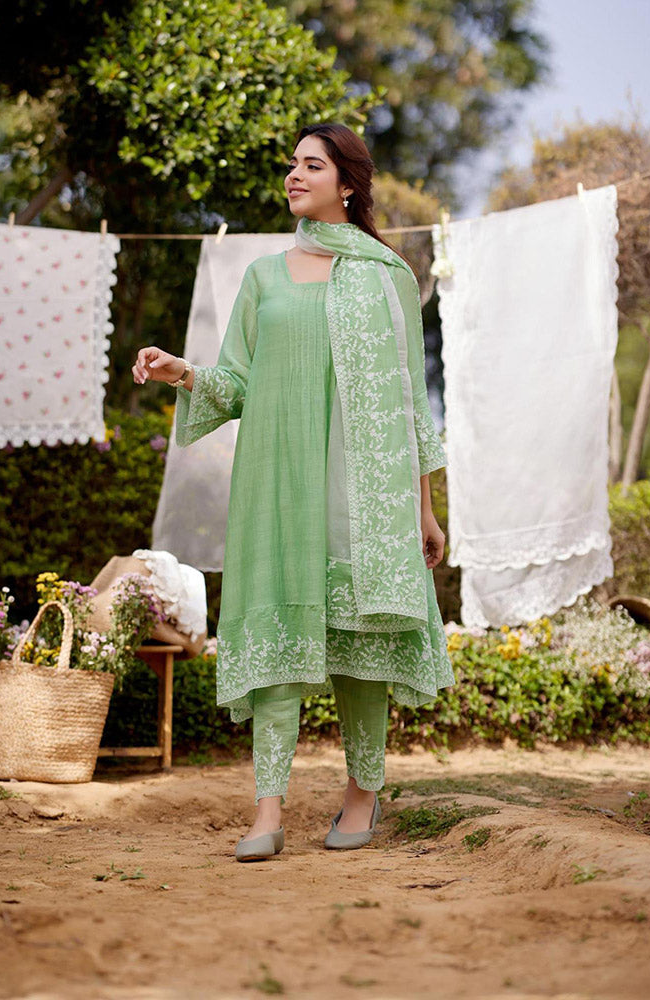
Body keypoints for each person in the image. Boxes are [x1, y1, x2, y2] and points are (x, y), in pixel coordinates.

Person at [132, 123, 456, 861]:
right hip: (279, 483)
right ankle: (268, 809)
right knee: (279, 634)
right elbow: (236, 382)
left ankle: (363, 791)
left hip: (362, 495)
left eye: (312, 165)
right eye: (292, 164)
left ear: (348, 184)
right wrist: (184, 371)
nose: (294, 175)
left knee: (361, 643)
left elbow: (411, 401)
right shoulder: (265, 277)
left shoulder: (387, 277)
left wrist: (424, 508)